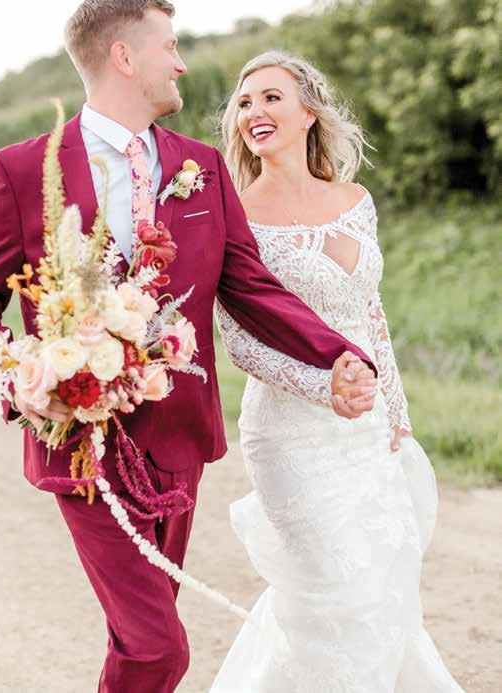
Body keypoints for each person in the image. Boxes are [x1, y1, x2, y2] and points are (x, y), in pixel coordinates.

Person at [0, 3, 378, 692]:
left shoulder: (202, 167)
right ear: (125, 57)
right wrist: (20, 377)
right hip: (81, 443)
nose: (180, 62)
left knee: (140, 640)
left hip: (177, 442)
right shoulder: (23, 170)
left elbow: (252, 288)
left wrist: (335, 353)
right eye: (169, 46)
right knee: (157, 650)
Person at [210, 50, 465, 692]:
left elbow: (371, 316)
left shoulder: (356, 200)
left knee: (380, 589)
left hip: (367, 429)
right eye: (244, 103)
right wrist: (325, 387)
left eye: (271, 97)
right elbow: (239, 340)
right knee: (331, 590)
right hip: (290, 434)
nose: (254, 111)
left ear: (309, 113)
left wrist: (396, 417)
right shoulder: (234, 214)